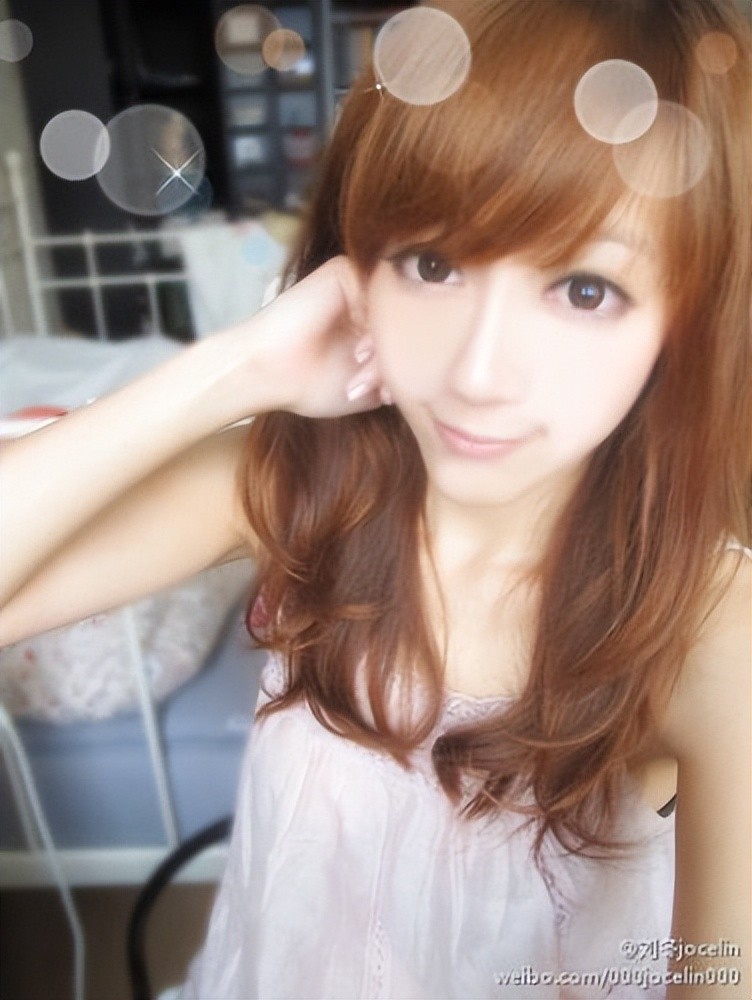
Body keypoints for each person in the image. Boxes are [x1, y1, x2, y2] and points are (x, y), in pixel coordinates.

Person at [1, 0, 749, 997]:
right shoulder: (304, 484)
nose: (476, 373)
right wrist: (233, 369)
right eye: (431, 264)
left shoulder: (709, 625)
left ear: (684, 321)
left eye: (583, 289)